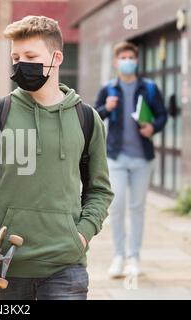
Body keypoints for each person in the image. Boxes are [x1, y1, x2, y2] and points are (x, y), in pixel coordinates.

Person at [0, 15, 114, 300]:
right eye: (15, 57)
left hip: (67, 266)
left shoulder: (87, 119)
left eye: (30, 56)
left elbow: (99, 190)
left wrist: (81, 235)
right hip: (6, 267)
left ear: (57, 58)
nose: (20, 64)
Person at [94, 41, 167, 278]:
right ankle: (118, 256)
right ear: (116, 62)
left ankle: (134, 258)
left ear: (136, 61)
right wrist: (106, 107)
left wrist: (152, 128)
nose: (127, 61)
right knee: (117, 206)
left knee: (137, 209)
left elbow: (162, 115)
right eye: (123, 58)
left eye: (130, 58)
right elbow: (94, 116)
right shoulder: (108, 89)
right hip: (116, 157)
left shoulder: (149, 88)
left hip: (142, 158)